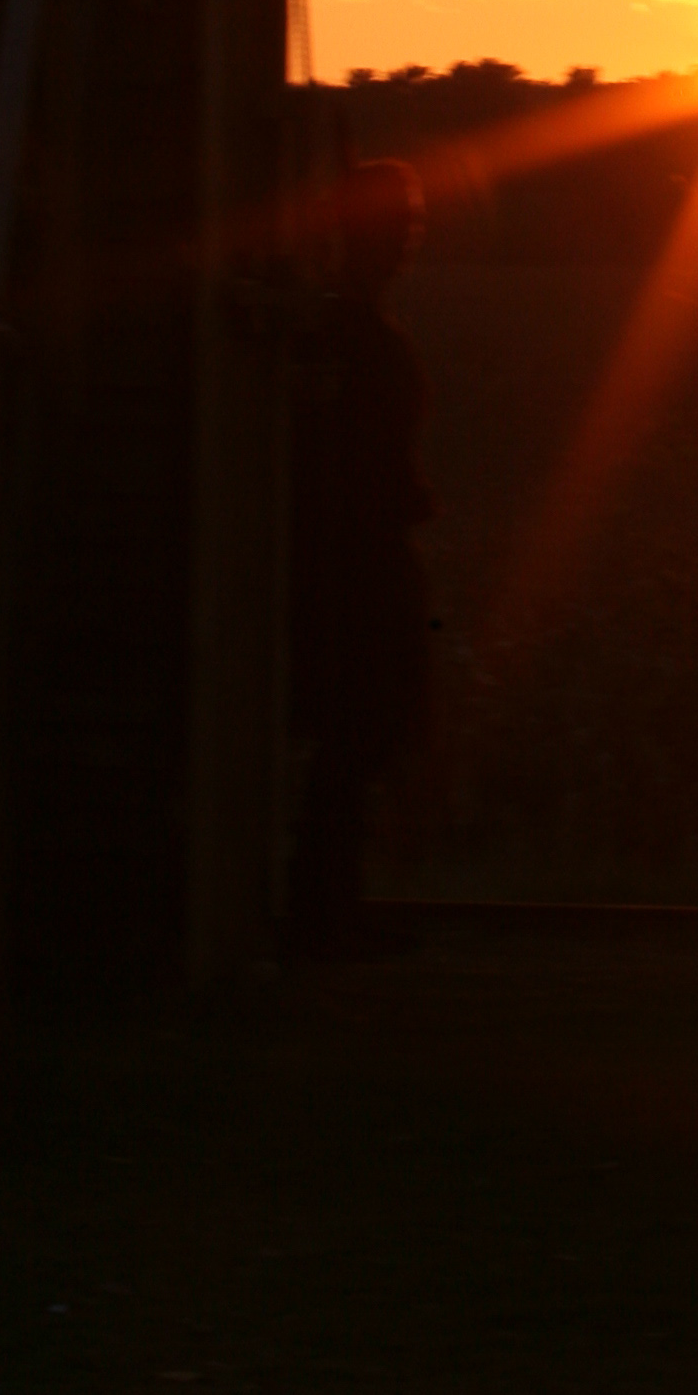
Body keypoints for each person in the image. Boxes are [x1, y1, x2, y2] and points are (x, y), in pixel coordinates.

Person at [281, 159, 432, 959]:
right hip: (356, 560)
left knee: (363, 729)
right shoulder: (346, 334)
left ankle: (329, 902)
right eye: (395, 227)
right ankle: (321, 909)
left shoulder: (345, 329)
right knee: (360, 726)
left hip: (360, 552)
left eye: (409, 227)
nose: (405, 242)